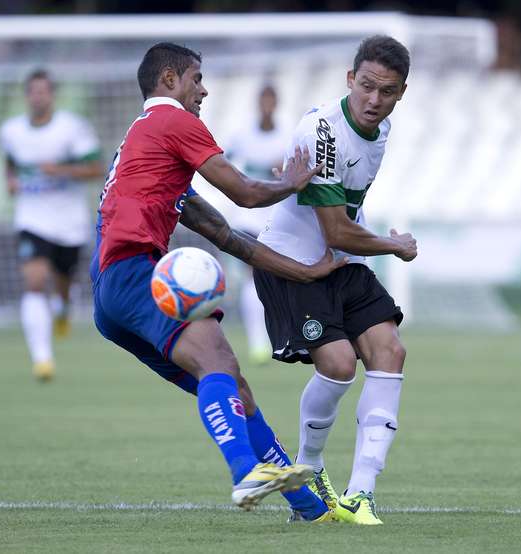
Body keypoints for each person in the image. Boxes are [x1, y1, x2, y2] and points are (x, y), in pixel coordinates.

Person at [91, 42, 345, 519]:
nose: (203, 90)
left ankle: (308, 507)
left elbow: (227, 235)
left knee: (231, 382)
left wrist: (305, 271)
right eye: (196, 78)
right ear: (169, 80)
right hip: (133, 272)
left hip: (110, 296)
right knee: (217, 360)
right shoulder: (172, 122)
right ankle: (245, 473)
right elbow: (246, 194)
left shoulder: (145, 147)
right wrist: (294, 181)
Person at [253, 35, 417, 525]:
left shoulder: (382, 130)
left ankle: (362, 493)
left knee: (391, 350)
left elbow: (346, 216)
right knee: (341, 363)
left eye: (386, 91)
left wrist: (371, 244)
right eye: (366, 86)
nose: (374, 99)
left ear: (400, 93)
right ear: (350, 79)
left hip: (341, 262)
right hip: (293, 262)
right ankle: (310, 468)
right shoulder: (321, 131)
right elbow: (335, 227)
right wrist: (395, 246)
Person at [0, 69, 105, 381]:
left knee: (62, 285)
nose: (38, 97)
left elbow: (96, 168)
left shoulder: (72, 129)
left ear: (52, 95)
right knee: (34, 281)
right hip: (31, 219)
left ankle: (63, 308)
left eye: (44, 91)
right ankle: (42, 359)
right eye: (33, 91)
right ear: (26, 95)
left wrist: (59, 170)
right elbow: (9, 164)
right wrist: (10, 182)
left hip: (68, 222)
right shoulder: (11, 131)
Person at [224, 84, 290, 363]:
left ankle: (281, 336)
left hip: (277, 213)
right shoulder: (242, 133)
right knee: (254, 272)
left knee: (278, 276)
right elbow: (223, 160)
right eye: (262, 100)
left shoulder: (288, 134)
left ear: (276, 103)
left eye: (270, 100)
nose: (266, 105)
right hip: (249, 212)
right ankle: (258, 342)